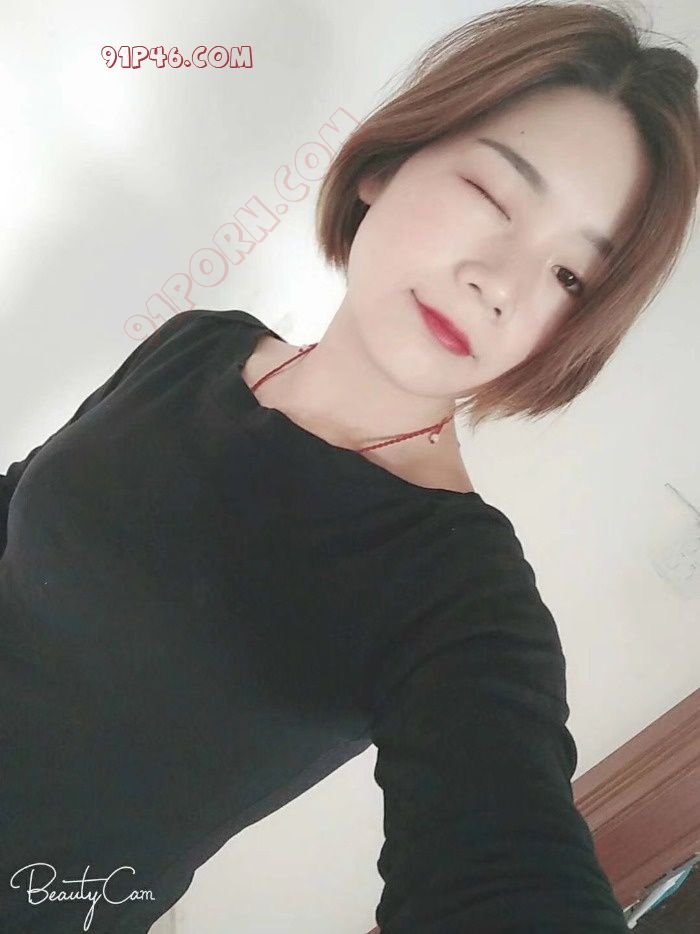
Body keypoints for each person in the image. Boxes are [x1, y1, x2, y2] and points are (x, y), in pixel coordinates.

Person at [2, 2, 698, 932]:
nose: (501, 281)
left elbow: (504, 858)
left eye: (571, 277)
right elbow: (24, 500)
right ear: (385, 165)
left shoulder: (460, 596)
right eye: (495, 196)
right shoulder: (197, 344)